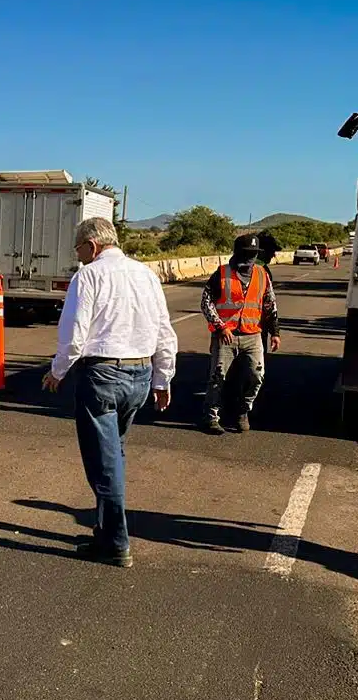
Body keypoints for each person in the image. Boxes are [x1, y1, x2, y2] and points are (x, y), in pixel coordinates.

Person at [43, 216, 179, 567]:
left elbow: (74, 334)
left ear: (92, 245)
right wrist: (162, 379)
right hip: (140, 373)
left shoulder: (88, 276)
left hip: (102, 374)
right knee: (114, 454)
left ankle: (117, 543)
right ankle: (104, 531)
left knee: (104, 464)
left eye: (79, 250)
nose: (79, 257)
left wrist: (58, 372)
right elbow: (165, 331)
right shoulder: (146, 275)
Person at [198, 233, 281, 433]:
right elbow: (206, 302)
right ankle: (212, 418)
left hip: (253, 335)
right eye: (246, 253)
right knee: (218, 378)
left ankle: (243, 410)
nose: (249, 258)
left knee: (256, 375)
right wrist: (220, 326)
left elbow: (270, 304)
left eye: (253, 254)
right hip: (226, 336)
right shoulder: (222, 273)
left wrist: (275, 332)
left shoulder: (262, 274)